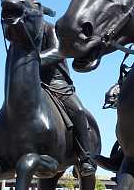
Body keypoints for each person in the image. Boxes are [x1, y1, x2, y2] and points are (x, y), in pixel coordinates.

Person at [38, 21, 96, 175]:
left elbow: (59, 51)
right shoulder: (22, 35)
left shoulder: (48, 29)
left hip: (56, 83)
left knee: (77, 110)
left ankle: (85, 158)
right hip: (33, 83)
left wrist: (32, 58)